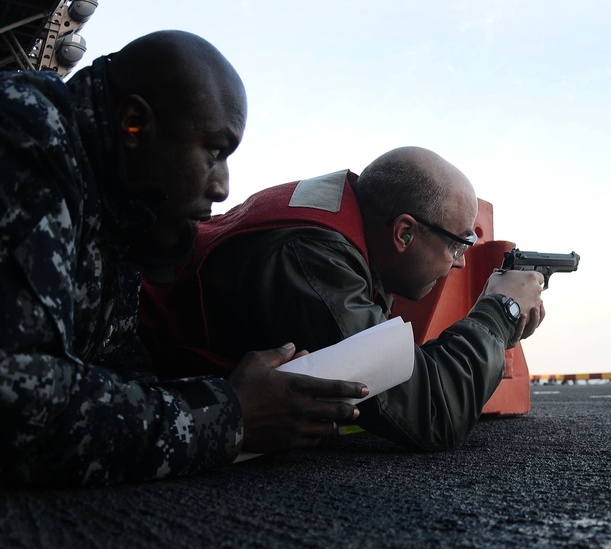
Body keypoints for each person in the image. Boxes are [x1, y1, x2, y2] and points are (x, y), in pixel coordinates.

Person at [0, 30, 366, 488]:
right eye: (215, 152)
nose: (222, 187)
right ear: (134, 123)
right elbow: (18, 404)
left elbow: (120, 368)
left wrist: (262, 396)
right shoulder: (24, 133)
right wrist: (229, 416)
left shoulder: (125, 206)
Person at [141, 146, 545, 451]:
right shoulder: (313, 258)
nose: (459, 264)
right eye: (458, 246)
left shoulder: (340, 217)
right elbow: (434, 411)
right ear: (404, 233)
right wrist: (500, 311)